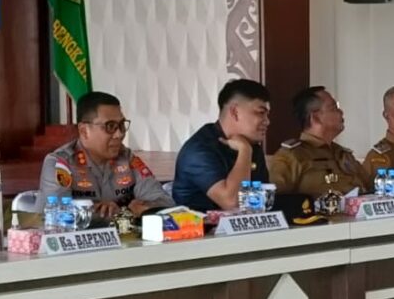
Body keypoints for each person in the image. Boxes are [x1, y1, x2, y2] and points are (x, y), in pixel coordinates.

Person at [38, 91, 174, 219]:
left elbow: (166, 202)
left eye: (121, 125)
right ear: (84, 131)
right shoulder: (60, 162)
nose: (119, 134)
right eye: (110, 126)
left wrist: (137, 209)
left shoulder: (127, 158)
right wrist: (119, 213)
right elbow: (54, 214)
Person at [173, 79, 271, 212]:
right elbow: (233, 203)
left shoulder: (252, 147)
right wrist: (245, 151)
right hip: (197, 225)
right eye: (261, 113)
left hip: (241, 224)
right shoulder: (199, 150)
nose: (267, 121)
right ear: (235, 112)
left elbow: (257, 205)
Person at [270, 86, 370, 196]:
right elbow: (276, 200)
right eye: (334, 108)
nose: (341, 112)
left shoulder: (343, 154)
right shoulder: (291, 157)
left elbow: (370, 187)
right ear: (316, 118)